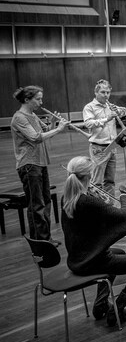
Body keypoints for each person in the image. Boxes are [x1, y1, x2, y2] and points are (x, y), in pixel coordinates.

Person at [61, 156, 126, 326]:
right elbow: (123, 216)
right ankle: (118, 309)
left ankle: (101, 305)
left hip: (77, 259)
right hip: (91, 261)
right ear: (89, 176)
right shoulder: (88, 201)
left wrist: (99, 200)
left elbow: (93, 220)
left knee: (119, 252)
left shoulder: (68, 197)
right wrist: (124, 195)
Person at [11, 85, 68, 244]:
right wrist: (59, 129)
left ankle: (46, 238)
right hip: (29, 164)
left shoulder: (33, 115)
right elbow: (36, 138)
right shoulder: (19, 118)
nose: (41, 102)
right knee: (36, 205)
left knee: (45, 201)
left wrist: (54, 123)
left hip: (40, 162)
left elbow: (45, 131)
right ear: (27, 100)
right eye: (38, 99)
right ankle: (40, 242)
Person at [83, 79, 126, 197]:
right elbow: (88, 123)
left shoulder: (110, 106)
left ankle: (110, 204)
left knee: (110, 181)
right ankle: (97, 204)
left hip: (112, 146)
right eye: (103, 92)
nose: (106, 95)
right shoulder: (89, 107)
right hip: (99, 148)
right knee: (96, 183)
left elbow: (125, 111)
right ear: (96, 92)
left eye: (108, 92)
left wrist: (119, 110)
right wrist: (106, 119)